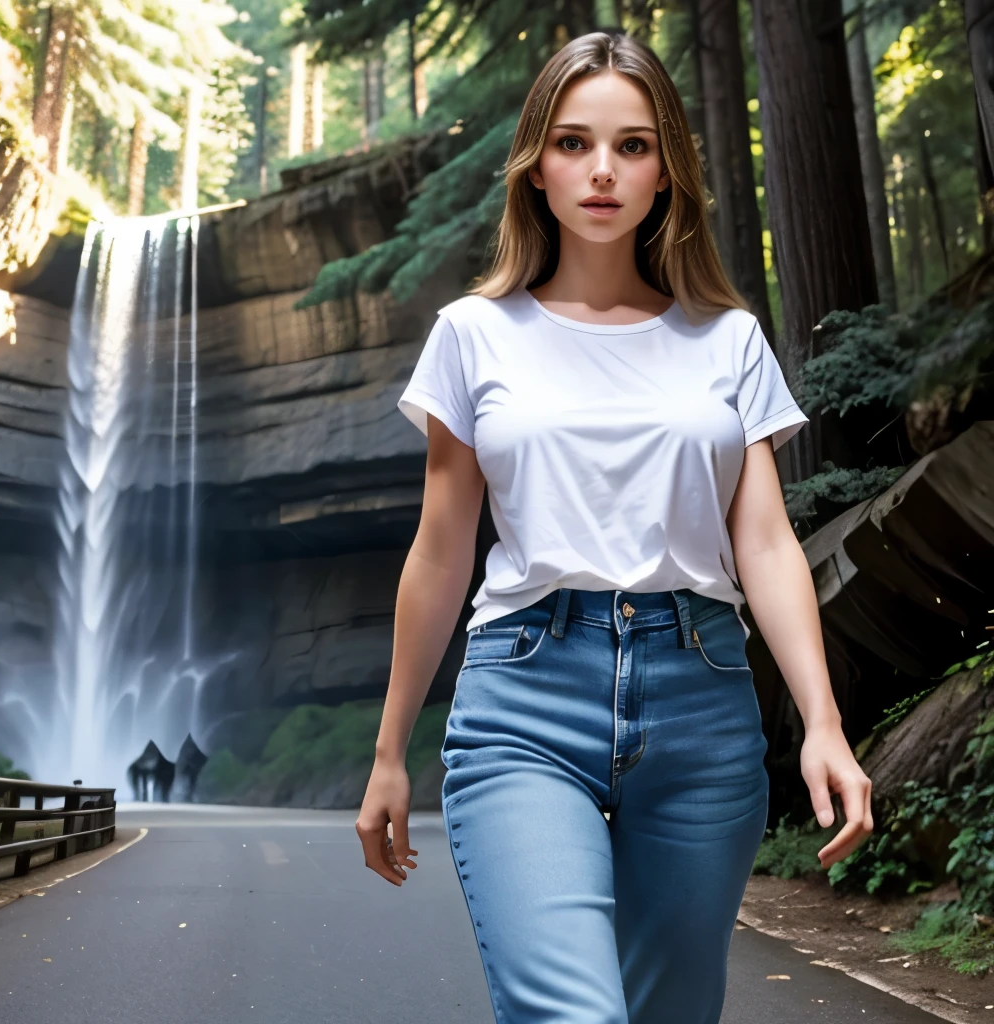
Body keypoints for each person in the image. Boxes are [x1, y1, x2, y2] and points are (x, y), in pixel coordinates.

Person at [355, 29, 873, 1024]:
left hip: (701, 699)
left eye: (633, 146)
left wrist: (821, 722)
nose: (602, 170)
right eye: (573, 142)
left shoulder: (725, 339)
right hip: (523, 698)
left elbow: (763, 543)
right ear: (534, 168)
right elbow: (440, 548)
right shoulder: (474, 333)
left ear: (666, 171)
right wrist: (386, 751)